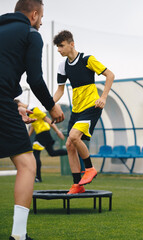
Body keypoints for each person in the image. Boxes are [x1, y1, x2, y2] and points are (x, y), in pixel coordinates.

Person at [0, 0, 65, 239]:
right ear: (34, 14)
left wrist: (15, 104)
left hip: (5, 101)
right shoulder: (30, 34)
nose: (41, 22)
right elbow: (35, 79)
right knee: (27, 165)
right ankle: (18, 235)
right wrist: (52, 107)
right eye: (41, 17)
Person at [53, 30, 115, 194]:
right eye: (57, 47)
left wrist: (103, 97)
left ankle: (89, 168)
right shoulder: (62, 65)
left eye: (61, 46)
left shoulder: (88, 60)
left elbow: (110, 75)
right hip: (77, 110)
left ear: (71, 44)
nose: (59, 50)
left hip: (92, 107)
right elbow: (59, 91)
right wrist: (50, 105)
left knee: (73, 137)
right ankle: (77, 185)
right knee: (69, 145)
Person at [15, 100, 67, 182]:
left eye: (18, 108)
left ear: (20, 104)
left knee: (35, 154)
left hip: (43, 133)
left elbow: (47, 119)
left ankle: (38, 177)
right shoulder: (29, 113)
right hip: (42, 134)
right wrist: (28, 136)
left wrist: (57, 131)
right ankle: (70, 151)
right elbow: (33, 125)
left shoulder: (35, 110)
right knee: (52, 153)